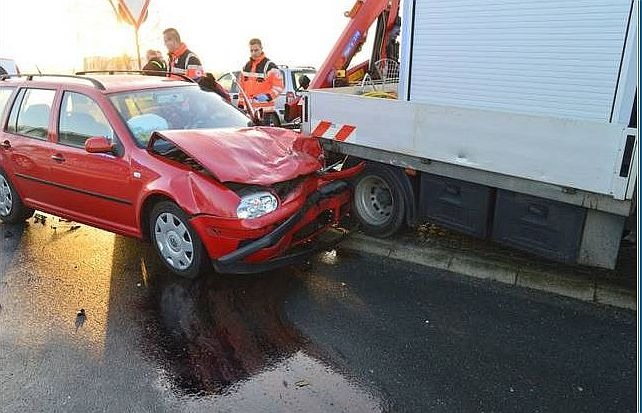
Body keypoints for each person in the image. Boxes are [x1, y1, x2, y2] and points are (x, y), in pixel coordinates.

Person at [238, 38, 284, 119]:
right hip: (249, 112)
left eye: (256, 50)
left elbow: (279, 87)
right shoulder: (246, 67)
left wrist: (267, 96)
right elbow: (241, 90)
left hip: (264, 112)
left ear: (261, 49)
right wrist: (241, 106)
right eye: (251, 50)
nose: (253, 53)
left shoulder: (270, 66)